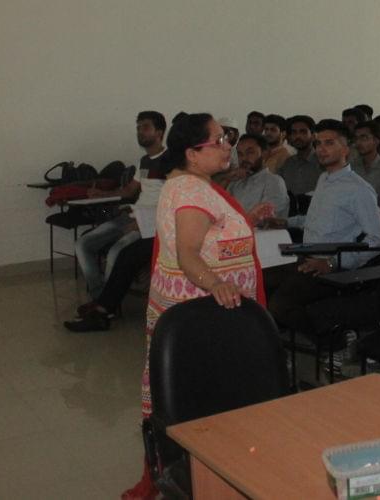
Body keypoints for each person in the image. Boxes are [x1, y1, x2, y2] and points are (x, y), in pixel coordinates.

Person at [125, 113, 271, 500]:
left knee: (207, 398)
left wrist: (247, 221)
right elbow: (189, 254)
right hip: (203, 314)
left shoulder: (196, 183)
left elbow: (209, 237)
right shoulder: (190, 190)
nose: (228, 146)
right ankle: (211, 477)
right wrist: (218, 284)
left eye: (227, 138)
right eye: (219, 140)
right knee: (206, 399)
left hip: (208, 310)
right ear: (192, 152)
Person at [265, 119, 380, 339]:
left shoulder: (358, 189)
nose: (321, 149)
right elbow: (317, 218)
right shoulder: (324, 178)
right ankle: (277, 346)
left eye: (329, 143)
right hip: (306, 256)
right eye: (318, 143)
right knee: (259, 282)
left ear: (346, 149)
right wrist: (286, 222)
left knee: (280, 304)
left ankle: (333, 342)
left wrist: (332, 262)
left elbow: (377, 240)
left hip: (333, 267)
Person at [74, 111, 167, 299]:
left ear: (160, 132)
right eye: (138, 128)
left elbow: (172, 203)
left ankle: (107, 303)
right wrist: (102, 194)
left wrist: (145, 223)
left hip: (151, 223)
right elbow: (129, 191)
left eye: (146, 127)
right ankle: (99, 297)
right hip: (133, 215)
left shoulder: (170, 161)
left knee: (117, 251)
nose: (140, 131)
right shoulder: (143, 161)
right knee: (83, 244)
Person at [227, 133, 289, 219]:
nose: (244, 158)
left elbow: (268, 218)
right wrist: (226, 180)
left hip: (261, 232)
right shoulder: (236, 181)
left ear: (265, 154)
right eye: (240, 154)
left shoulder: (274, 181)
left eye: (250, 152)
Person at [351, 120, 380, 204]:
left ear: (376, 140)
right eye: (356, 138)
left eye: (364, 138)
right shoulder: (351, 167)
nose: (358, 142)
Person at [277, 115, 320, 195]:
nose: (298, 136)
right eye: (294, 132)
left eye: (303, 132)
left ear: (313, 136)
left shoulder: (322, 162)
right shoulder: (287, 164)